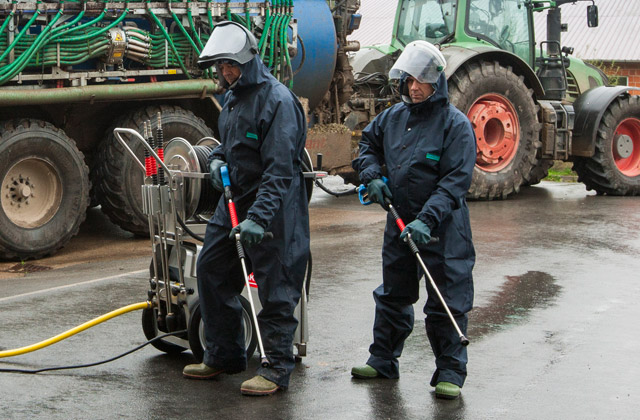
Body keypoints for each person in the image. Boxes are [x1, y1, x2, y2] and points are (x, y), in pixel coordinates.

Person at [182, 21, 310, 397]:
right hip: (234, 202)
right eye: (220, 67)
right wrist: (217, 161)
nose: (224, 73)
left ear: (248, 59)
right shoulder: (234, 98)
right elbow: (228, 145)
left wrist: (260, 217)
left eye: (230, 65)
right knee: (211, 269)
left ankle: (275, 369)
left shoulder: (278, 101)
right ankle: (224, 355)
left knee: (276, 287)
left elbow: (280, 170)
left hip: (275, 209)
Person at [350, 40, 476, 400]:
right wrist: (372, 175)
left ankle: (450, 371)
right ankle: (383, 359)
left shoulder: (456, 126)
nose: (414, 88)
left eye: (420, 82)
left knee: (446, 300)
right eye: (408, 81)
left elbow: (454, 182)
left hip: (443, 230)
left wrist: (428, 220)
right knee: (393, 294)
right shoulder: (393, 118)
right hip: (400, 220)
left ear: (436, 81)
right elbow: (367, 146)